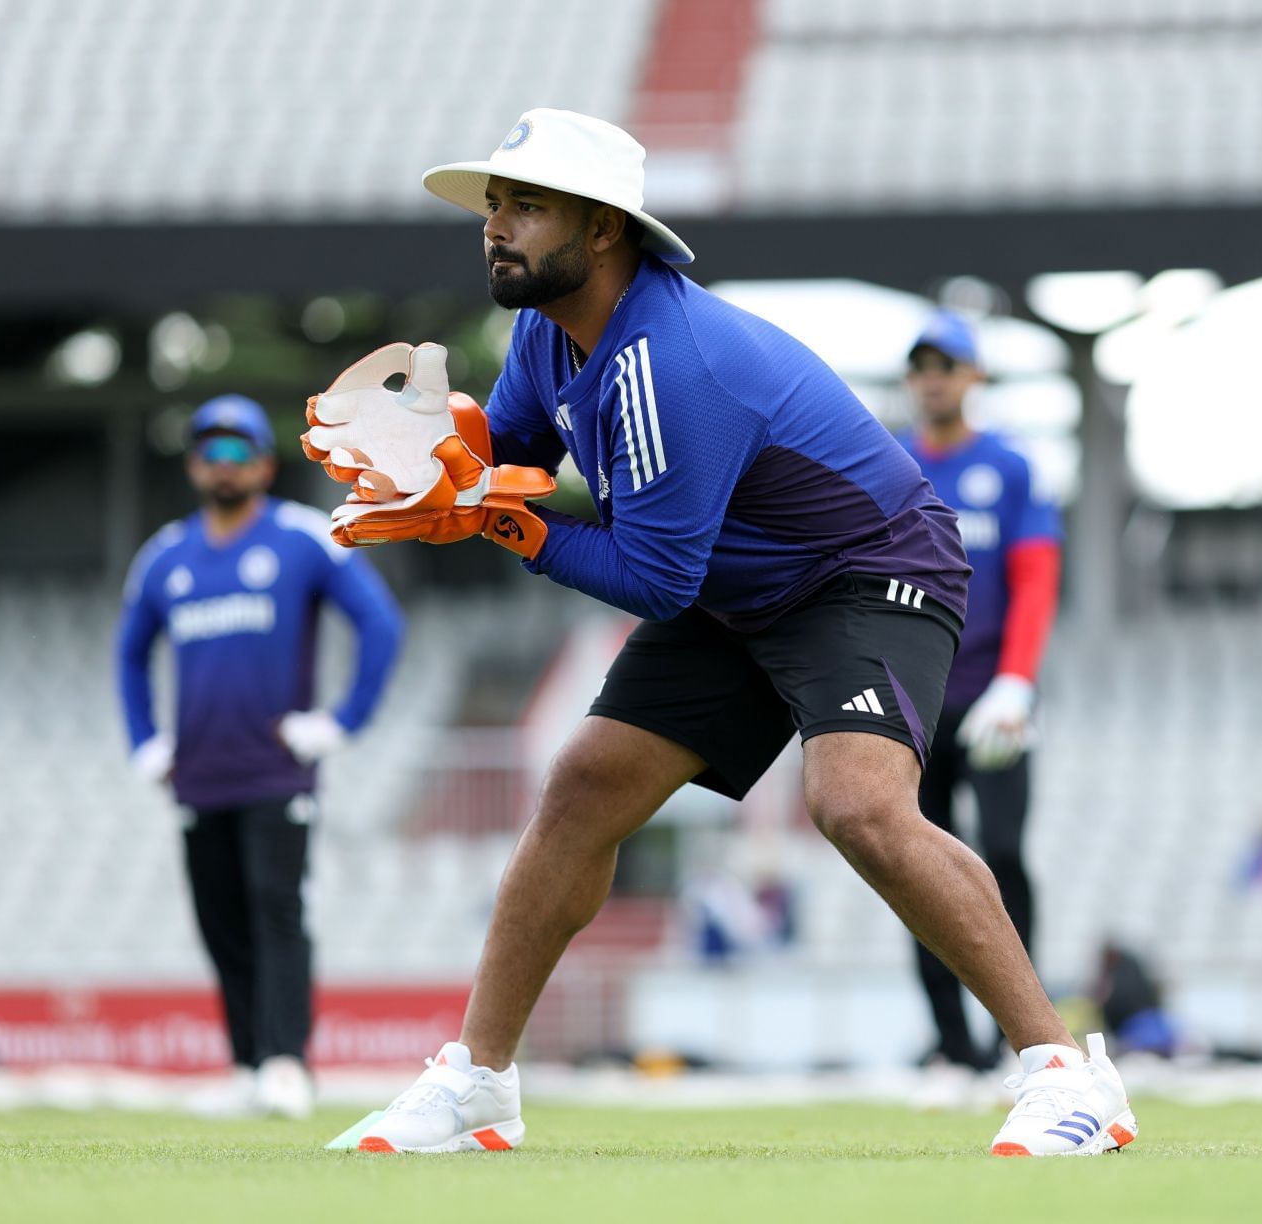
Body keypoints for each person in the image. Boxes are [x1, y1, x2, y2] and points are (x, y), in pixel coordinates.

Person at [309, 108, 1135, 1157]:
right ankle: (477, 1084)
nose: (495, 225)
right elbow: (507, 446)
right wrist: (444, 453)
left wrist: (497, 518)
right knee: (584, 789)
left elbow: (654, 580)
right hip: (747, 585)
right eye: (494, 205)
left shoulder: (670, 360)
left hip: (866, 569)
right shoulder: (546, 335)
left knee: (859, 807)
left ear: (604, 229)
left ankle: (1066, 1071)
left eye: (526, 204)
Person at [116, 394, 404, 1120]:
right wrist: (146, 742)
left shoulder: (304, 539)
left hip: (276, 775)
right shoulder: (165, 557)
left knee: (276, 915)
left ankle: (286, 1064)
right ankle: (247, 1065)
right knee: (221, 925)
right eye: (210, 451)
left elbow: (380, 624)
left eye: (238, 451)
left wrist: (339, 724)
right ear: (191, 466)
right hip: (198, 779)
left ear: (266, 465)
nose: (223, 464)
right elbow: (128, 655)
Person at [896, 311, 1064, 1075]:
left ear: (974, 377)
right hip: (912, 699)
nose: (933, 377)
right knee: (913, 867)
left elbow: (1035, 580)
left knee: (1001, 854)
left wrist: (1017, 683)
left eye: (947, 364)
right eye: (921, 365)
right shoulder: (888, 463)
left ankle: (1019, 1038)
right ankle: (954, 1046)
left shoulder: (1013, 468)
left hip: (991, 696)